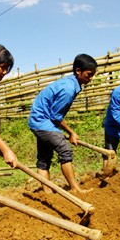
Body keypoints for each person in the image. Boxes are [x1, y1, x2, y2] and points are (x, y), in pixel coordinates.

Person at [28, 54, 97, 194]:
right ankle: (75, 188)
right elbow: (56, 116)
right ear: (78, 71)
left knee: (44, 159)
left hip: (39, 120)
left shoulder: (70, 84)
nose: (91, 78)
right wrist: (71, 132)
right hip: (42, 121)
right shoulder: (68, 89)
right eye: (89, 74)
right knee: (65, 150)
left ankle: (47, 193)